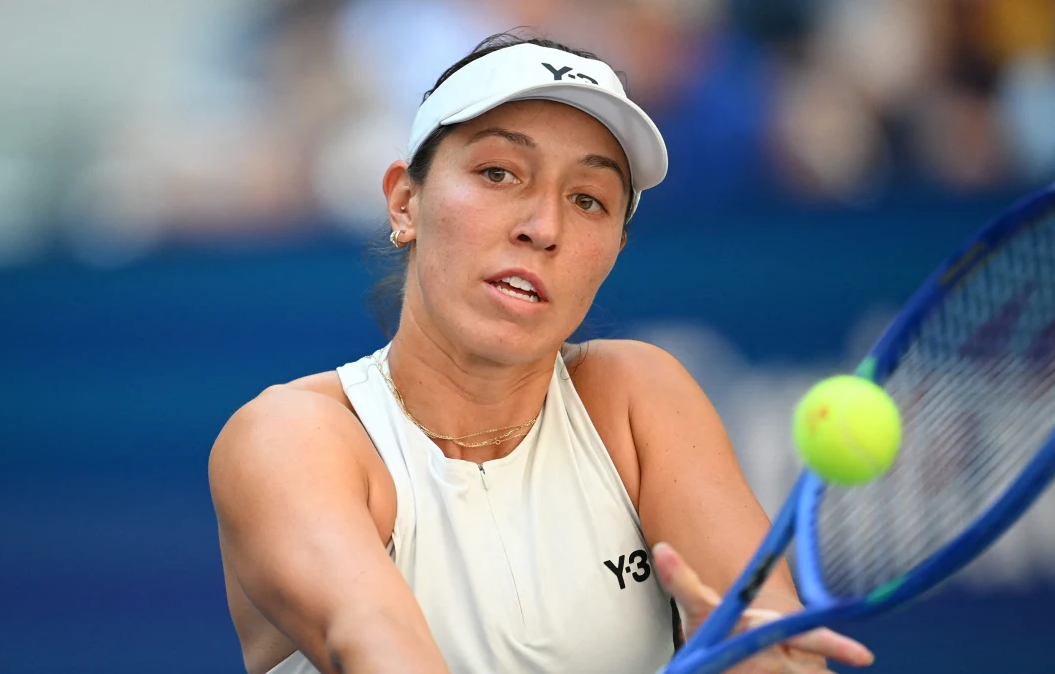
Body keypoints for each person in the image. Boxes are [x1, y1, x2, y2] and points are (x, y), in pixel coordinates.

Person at [209, 33, 875, 674]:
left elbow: (772, 641)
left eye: (588, 200)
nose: (544, 227)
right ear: (405, 202)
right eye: (498, 173)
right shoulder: (293, 435)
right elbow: (374, 639)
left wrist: (766, 663)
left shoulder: (639, 398)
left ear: (614, 252)